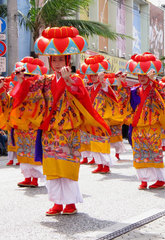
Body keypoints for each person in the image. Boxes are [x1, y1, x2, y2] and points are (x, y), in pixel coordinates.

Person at [33, 26, 110, 215]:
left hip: (69, 130)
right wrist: (20, 80)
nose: (58, 63)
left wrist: (68, 81)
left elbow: (82, 97)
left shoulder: (76, 79)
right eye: (54, 59)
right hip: (50, 131)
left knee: (67, 167)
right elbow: (33, 97)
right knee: (52, 169)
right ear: (50, 61)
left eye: (61, 59)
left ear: (67, 59)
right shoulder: (45, 80)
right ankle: (56, 202)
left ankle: (70, 203)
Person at [119, 52, 165, 190]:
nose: (142, 78)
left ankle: (160, 179)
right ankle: (143, 179)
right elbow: (125, 104)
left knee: (154, 153)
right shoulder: (134, 91)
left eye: (144, 75)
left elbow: (162, 101)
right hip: (137, 128)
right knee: (139, 154)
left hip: (151, 127)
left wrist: (153, 81)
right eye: (140, 75)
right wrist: (121, 83)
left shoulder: (155, 89)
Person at [79, 55, 121, 173]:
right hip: (93, 119)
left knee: (102, 141)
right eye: (91, 75)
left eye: (95, 75)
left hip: (103, 119)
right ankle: (99, 164)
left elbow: (109, 91)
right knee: (95, 142)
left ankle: (106, 165)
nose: (93, 77)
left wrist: (103, 81)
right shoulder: (91, 88)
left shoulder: (104, 86)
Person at [10, 57, 48, 187]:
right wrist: (20, 81)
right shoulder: (21, 85)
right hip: (21, 124)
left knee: (32, 150)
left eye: (29, 75)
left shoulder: (38, 87)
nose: (27, 77)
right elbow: (14, 98)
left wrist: (22, 82)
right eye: (25, 74)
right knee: (23, 150)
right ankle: (27, 177)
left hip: (34, 123)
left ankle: (35, 179)